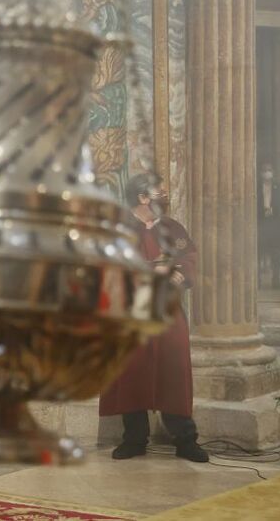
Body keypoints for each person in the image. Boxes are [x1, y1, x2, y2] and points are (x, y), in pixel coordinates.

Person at [99, 174, 209, 463]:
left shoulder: (172, 227)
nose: (165, 194)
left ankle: (185, 439)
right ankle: (134, 439)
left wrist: (179, 273)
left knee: (174, 373)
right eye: (159, 191)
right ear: (142, 198)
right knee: (132, 372)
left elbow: (189, 256)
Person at [257, 162, 280, 289]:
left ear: (273, 172)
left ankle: (276, 279)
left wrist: (274, 210)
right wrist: (262, 211)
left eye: (269, 170)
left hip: (274, 223)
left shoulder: (278, 186)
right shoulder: (257, 186)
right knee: (258, 252)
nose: (267, 173)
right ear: (260, 173)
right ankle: (257, 280)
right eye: (265, 170)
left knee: (276, 253)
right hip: (260, 222)